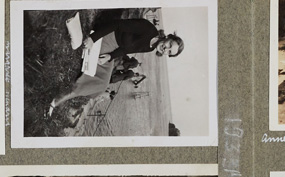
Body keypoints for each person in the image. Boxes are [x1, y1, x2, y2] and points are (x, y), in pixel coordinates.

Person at [48, 17, 184, 117]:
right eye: (169, 45)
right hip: (107, 36)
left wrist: (110, 57)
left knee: (103, 83)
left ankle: (66, 95)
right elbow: (117, 24)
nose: (166, 49)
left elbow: (125, 49)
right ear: (169, 37)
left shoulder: (150, 47)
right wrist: (93, 38)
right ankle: (57, 100)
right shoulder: (148, 29)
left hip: (113, 48)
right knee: (96, 75)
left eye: (169, 52)